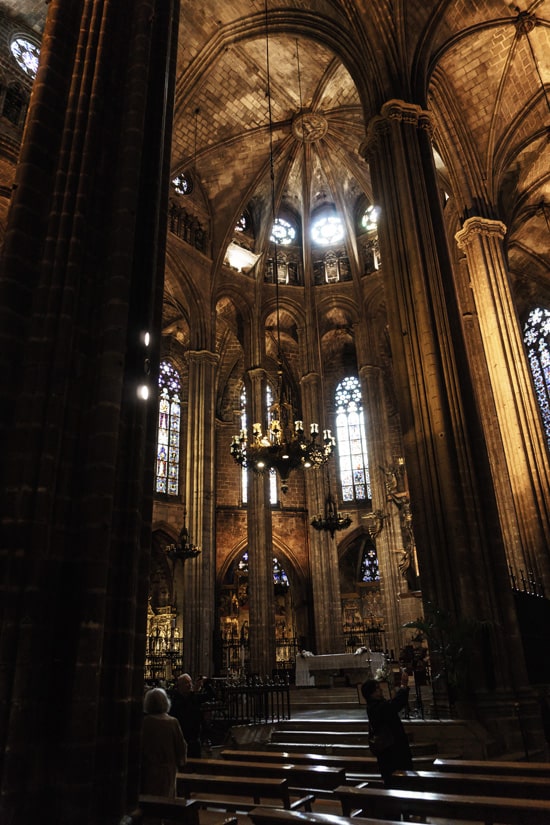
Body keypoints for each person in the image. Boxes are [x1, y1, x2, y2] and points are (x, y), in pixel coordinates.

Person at [361, 671, 413, 786]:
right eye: (378, 689)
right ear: (372, 693)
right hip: (391, 751)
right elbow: (395, 705)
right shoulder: (376, 707)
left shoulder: (376, 705)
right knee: (398, 781)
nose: (381, 690)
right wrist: (403, 686)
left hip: (390, 749)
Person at [140, 687, 187, 797]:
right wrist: (181, 761)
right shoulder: (172, 722)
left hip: (149, 769)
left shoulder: (145, 722)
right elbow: (180, 745)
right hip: (167, 769)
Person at [169, 672, 215, 758]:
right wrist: (193, 692)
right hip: (182, 737)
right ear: (180, 686)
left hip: (195, 738)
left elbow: (211, 695)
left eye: (190, 682)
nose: (189, 685)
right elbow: (185, 707)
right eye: (186, 683)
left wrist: (205, 683)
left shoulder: (194, 697)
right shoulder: (176, 699)